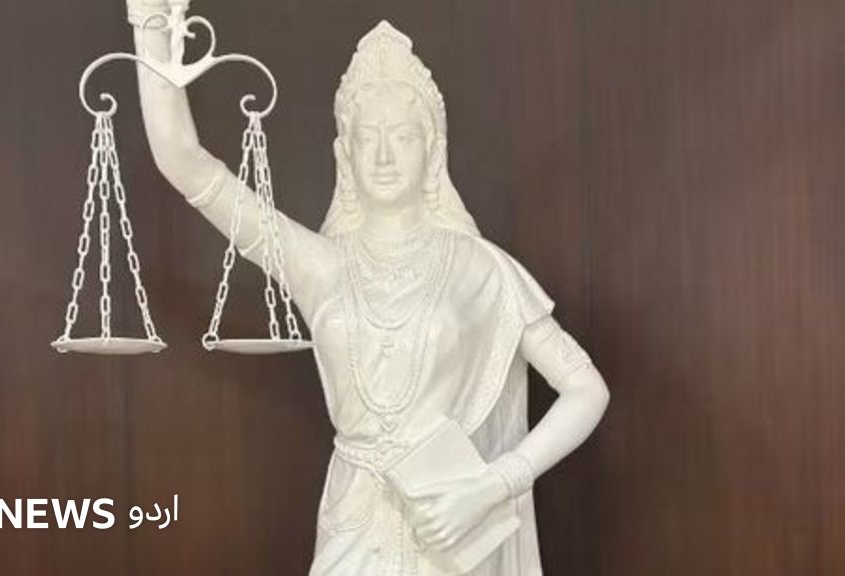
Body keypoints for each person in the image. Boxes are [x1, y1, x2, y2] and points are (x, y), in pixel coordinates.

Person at [125, 2, 610, 573]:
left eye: (402, 137)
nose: (383, 156)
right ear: (343, 151)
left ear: (433, 151)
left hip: (447, 526)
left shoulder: (483, 270)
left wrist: (494, 485)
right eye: (367, 137)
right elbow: (182, 161)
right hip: (352, 528)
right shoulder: (319, 264)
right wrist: (150, 22)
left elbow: (586, 389)